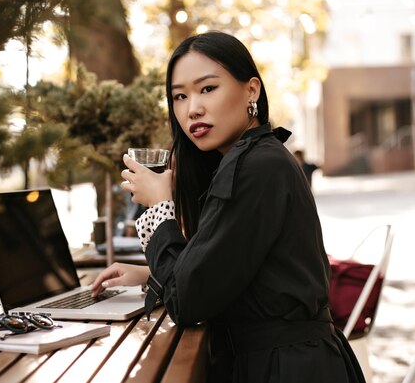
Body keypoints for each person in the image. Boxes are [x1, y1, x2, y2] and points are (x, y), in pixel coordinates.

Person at [91, 31, 365, 383]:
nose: (193, 108)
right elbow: (230, 269)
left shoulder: (256, 167)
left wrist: (160, 207)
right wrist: (152, 275)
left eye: (208, 89)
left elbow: (188, 305)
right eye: (179, 96)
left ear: (251, 90)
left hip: (286, 370)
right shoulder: (253, 158)